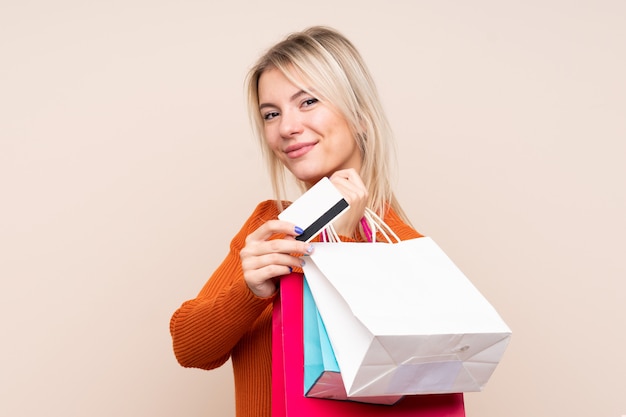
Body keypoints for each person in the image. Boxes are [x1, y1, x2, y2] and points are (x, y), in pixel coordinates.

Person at [169, 26, 422, 417]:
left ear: (360, 117)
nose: (286, 127)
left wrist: (343, 241)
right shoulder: (271, 227)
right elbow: (190, 349)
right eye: (271, 114)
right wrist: (249, 291)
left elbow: (375, 381)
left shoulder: (407, 248)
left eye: (307, 102)